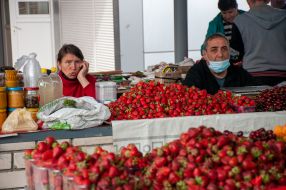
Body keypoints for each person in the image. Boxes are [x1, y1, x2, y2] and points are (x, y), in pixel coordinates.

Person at [230, 0, 286, 86]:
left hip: (252, 76)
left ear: (249, 1)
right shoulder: (284, 16)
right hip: (283, 76)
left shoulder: (240, 21)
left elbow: (235, 56)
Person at [183, 33, 255, 95]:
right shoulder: (195, 74)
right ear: (205, 55)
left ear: (229, 53)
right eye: (214, 50)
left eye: (224, 49)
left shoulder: (241, 74)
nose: (220, 55)